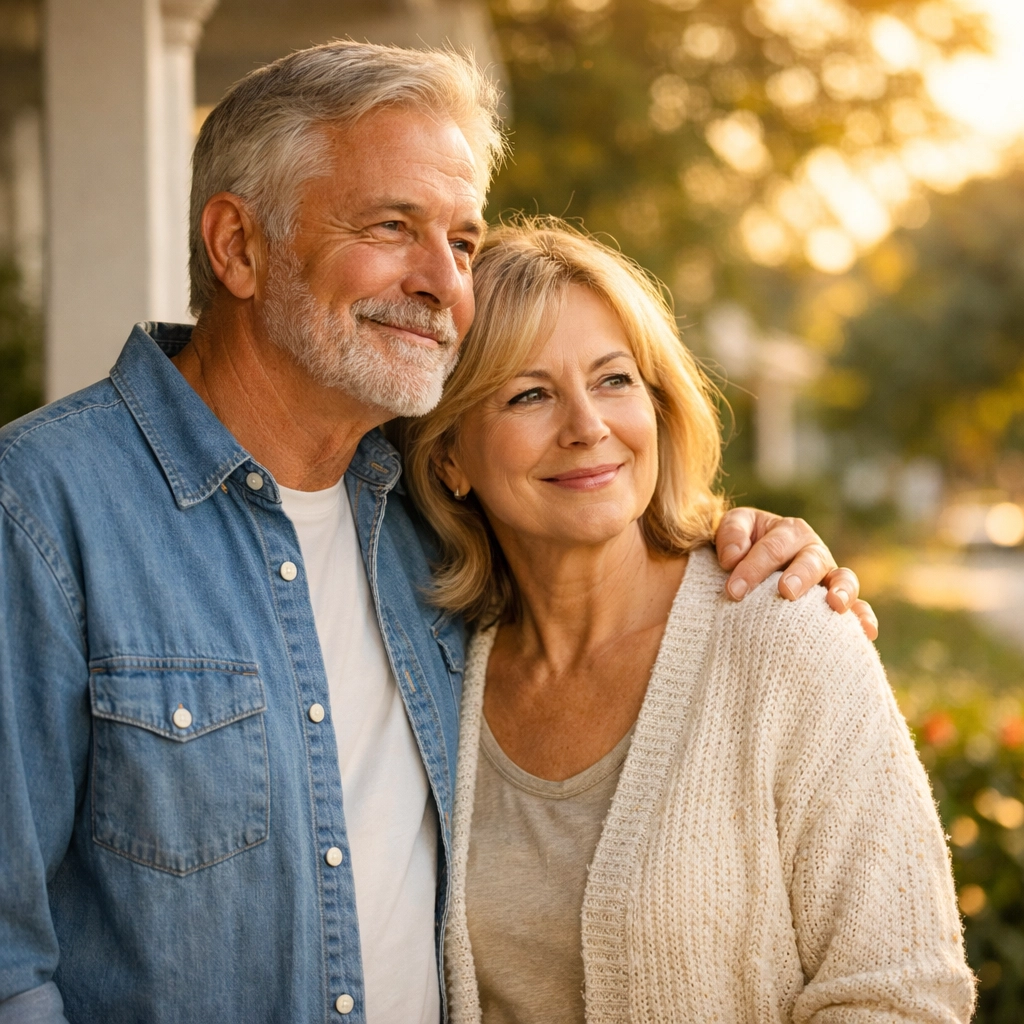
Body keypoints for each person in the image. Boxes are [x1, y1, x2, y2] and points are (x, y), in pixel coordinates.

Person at [0, 42, 870, 1024]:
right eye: (392, 225)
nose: (441, 282)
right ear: (238, 247)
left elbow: (594, 510)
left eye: (461, 240)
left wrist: (743, 542)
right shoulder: (39, 512)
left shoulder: (433, 525)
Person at [395, 219, 974, 1024]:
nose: (587, 426)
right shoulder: (434, 672)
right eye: (529, 394)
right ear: (449, 457)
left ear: (658, 405)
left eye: (613, 380)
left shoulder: (786, 633)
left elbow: (904, 993)